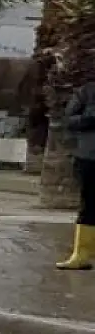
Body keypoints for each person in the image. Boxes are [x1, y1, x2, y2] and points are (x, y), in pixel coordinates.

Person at [56, 79, 95, 270]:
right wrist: (89, 118)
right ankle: (81, 255)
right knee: (89, 205)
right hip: (89, 158)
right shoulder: (86, 91)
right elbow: (69, 120)